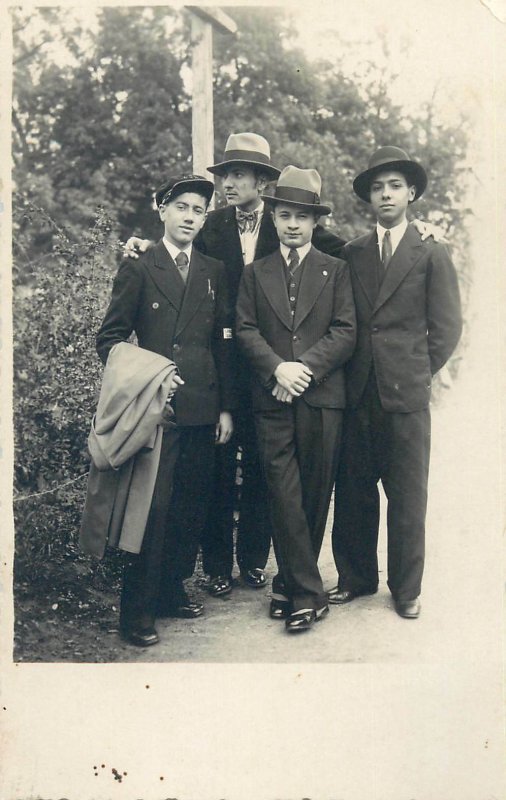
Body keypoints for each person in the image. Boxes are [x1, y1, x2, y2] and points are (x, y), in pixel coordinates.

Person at [124, 132, 345, 601]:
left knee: (267, 470)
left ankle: (252, 562)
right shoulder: (212, 222)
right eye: (225, 174)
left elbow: (341, 251)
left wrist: (423, 230)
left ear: (263, 183)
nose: (229, 183)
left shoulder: (285, 220)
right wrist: (140, 246)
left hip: (273, 373)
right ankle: (218, 566)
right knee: (220, 469)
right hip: (222, 366)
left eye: (240, 175)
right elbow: (175, 250)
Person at [95, 174, 235, 646]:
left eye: (199, 210)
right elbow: (110, 340)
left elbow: (222, 344)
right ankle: (136, 610)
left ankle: (172, 590)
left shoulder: (214, 270)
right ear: (162, 210)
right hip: (156, 410)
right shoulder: (139, 264)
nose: (191, 217)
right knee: (151, 511)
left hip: (203, 406)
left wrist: (225, 410)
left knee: (190, 506)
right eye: (182, 207)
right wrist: (153, 375)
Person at [330, 146, 462, 619]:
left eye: (394, 186)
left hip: (405, 395)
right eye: (377, 188)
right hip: (359, 391)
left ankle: (406, 589)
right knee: (354, 490)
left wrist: (416, 370)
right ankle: (355, 577)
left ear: (411, 193)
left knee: (407, 494)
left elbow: (447, 327)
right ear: (369, 197)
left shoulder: (431, 251)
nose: (385, 195)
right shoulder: (352, 252)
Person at [236, 165, 356, 632]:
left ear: (314, 223)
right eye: (284, 215)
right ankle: (310, 593)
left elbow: (346, 331)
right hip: (272, 397)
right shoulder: (254, 273)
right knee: (282, 495)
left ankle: (288, 583)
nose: (291, 224)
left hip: (321, 397)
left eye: (301, 217)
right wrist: (276, 368)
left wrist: (302, 369)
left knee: (313, 495)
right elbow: (244, 328)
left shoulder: (337, 270)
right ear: (273, 217)